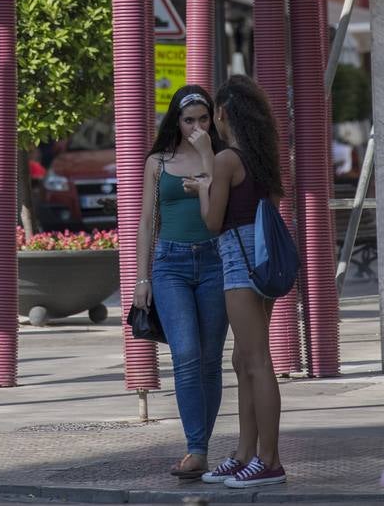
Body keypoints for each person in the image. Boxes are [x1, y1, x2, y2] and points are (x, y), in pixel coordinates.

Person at [186, 75, 287, 489]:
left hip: (238, 262)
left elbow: (212, 222)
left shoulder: (227, 160)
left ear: (224, 113)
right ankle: (245, 453)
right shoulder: (263, 158)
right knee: (242, 360)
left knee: (256, 361)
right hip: (262, 259)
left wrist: (203, 182)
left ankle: (269, 460)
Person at [133, 85, 227, 481]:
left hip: (215, 261)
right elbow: (146, 221)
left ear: (212, 119)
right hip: (169, 264)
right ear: (176, 120)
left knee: (210, 359)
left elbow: (223, 213)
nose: (195, 126)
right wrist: (142, 277)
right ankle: (196, 448)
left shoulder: (221, 159)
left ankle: (199, 449)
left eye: (202, 119)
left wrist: (207, 156)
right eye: (188, 119)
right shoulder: (158, 161)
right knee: (186, 353)